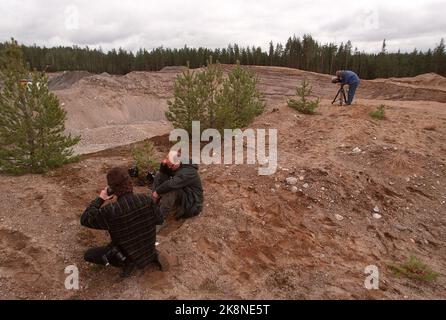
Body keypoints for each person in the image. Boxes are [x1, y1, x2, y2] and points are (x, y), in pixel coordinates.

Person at [80, 167, 165, 277]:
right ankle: (149, 255)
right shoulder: (147, 199)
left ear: (112, 189)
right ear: (130, 182)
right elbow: (160, 220)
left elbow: (85, 219)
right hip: (149, 249)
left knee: (89, 255)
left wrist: (101, 198)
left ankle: (127, 263)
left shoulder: (111, 211)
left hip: (128, 256)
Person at [152, 150, 203, 225]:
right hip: (184, 190)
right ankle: (153, 205)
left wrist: (157, 191)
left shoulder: (188, 172)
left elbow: (171, 184)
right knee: (159, 175)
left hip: (192, 201)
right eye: (168, 164)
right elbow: (164, 174)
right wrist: (163, 165)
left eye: (170, 165)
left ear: (176, 164)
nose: (169, 167)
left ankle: (160, 219)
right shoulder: (178, 163)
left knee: (172, 190)